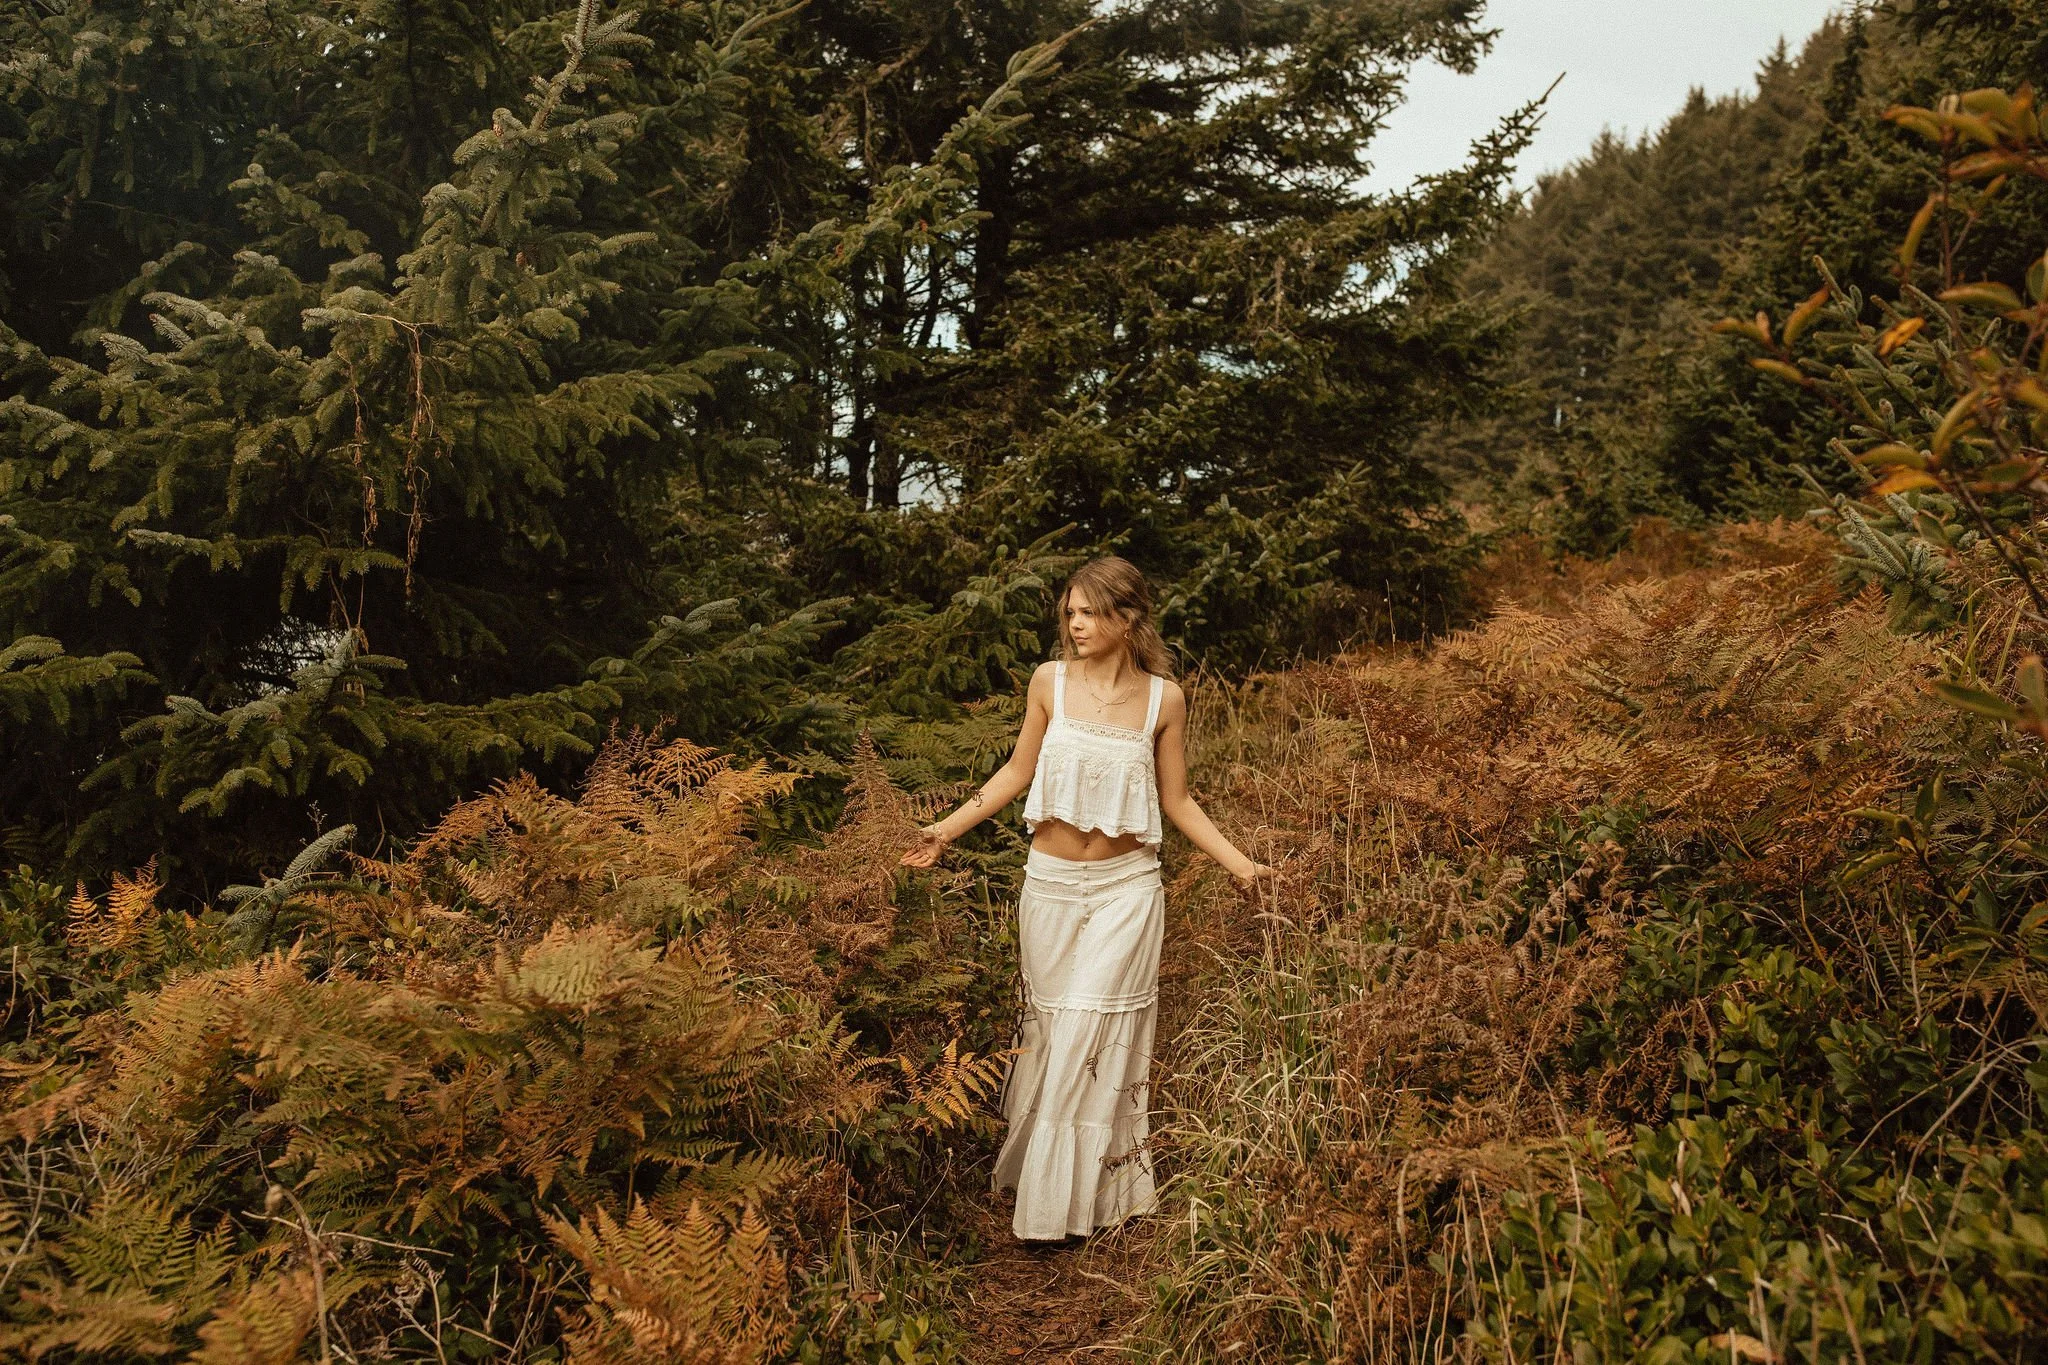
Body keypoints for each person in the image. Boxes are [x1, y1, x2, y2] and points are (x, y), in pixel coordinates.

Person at [900, 555, 1279, 1242]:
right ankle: (1059, 1192)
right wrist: (945, 829)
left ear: (1127, 617)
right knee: (1051, 1030)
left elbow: (1178, 800)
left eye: (1088, 611)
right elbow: (1018, 769)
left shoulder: (1166, 699)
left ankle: (1057, 1215)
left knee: (1086, 1031)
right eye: (1069, 611)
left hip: (1126, 891)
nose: (1074, 623)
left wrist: (1242, 865)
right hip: (1048, 888)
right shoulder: (1050, 683)